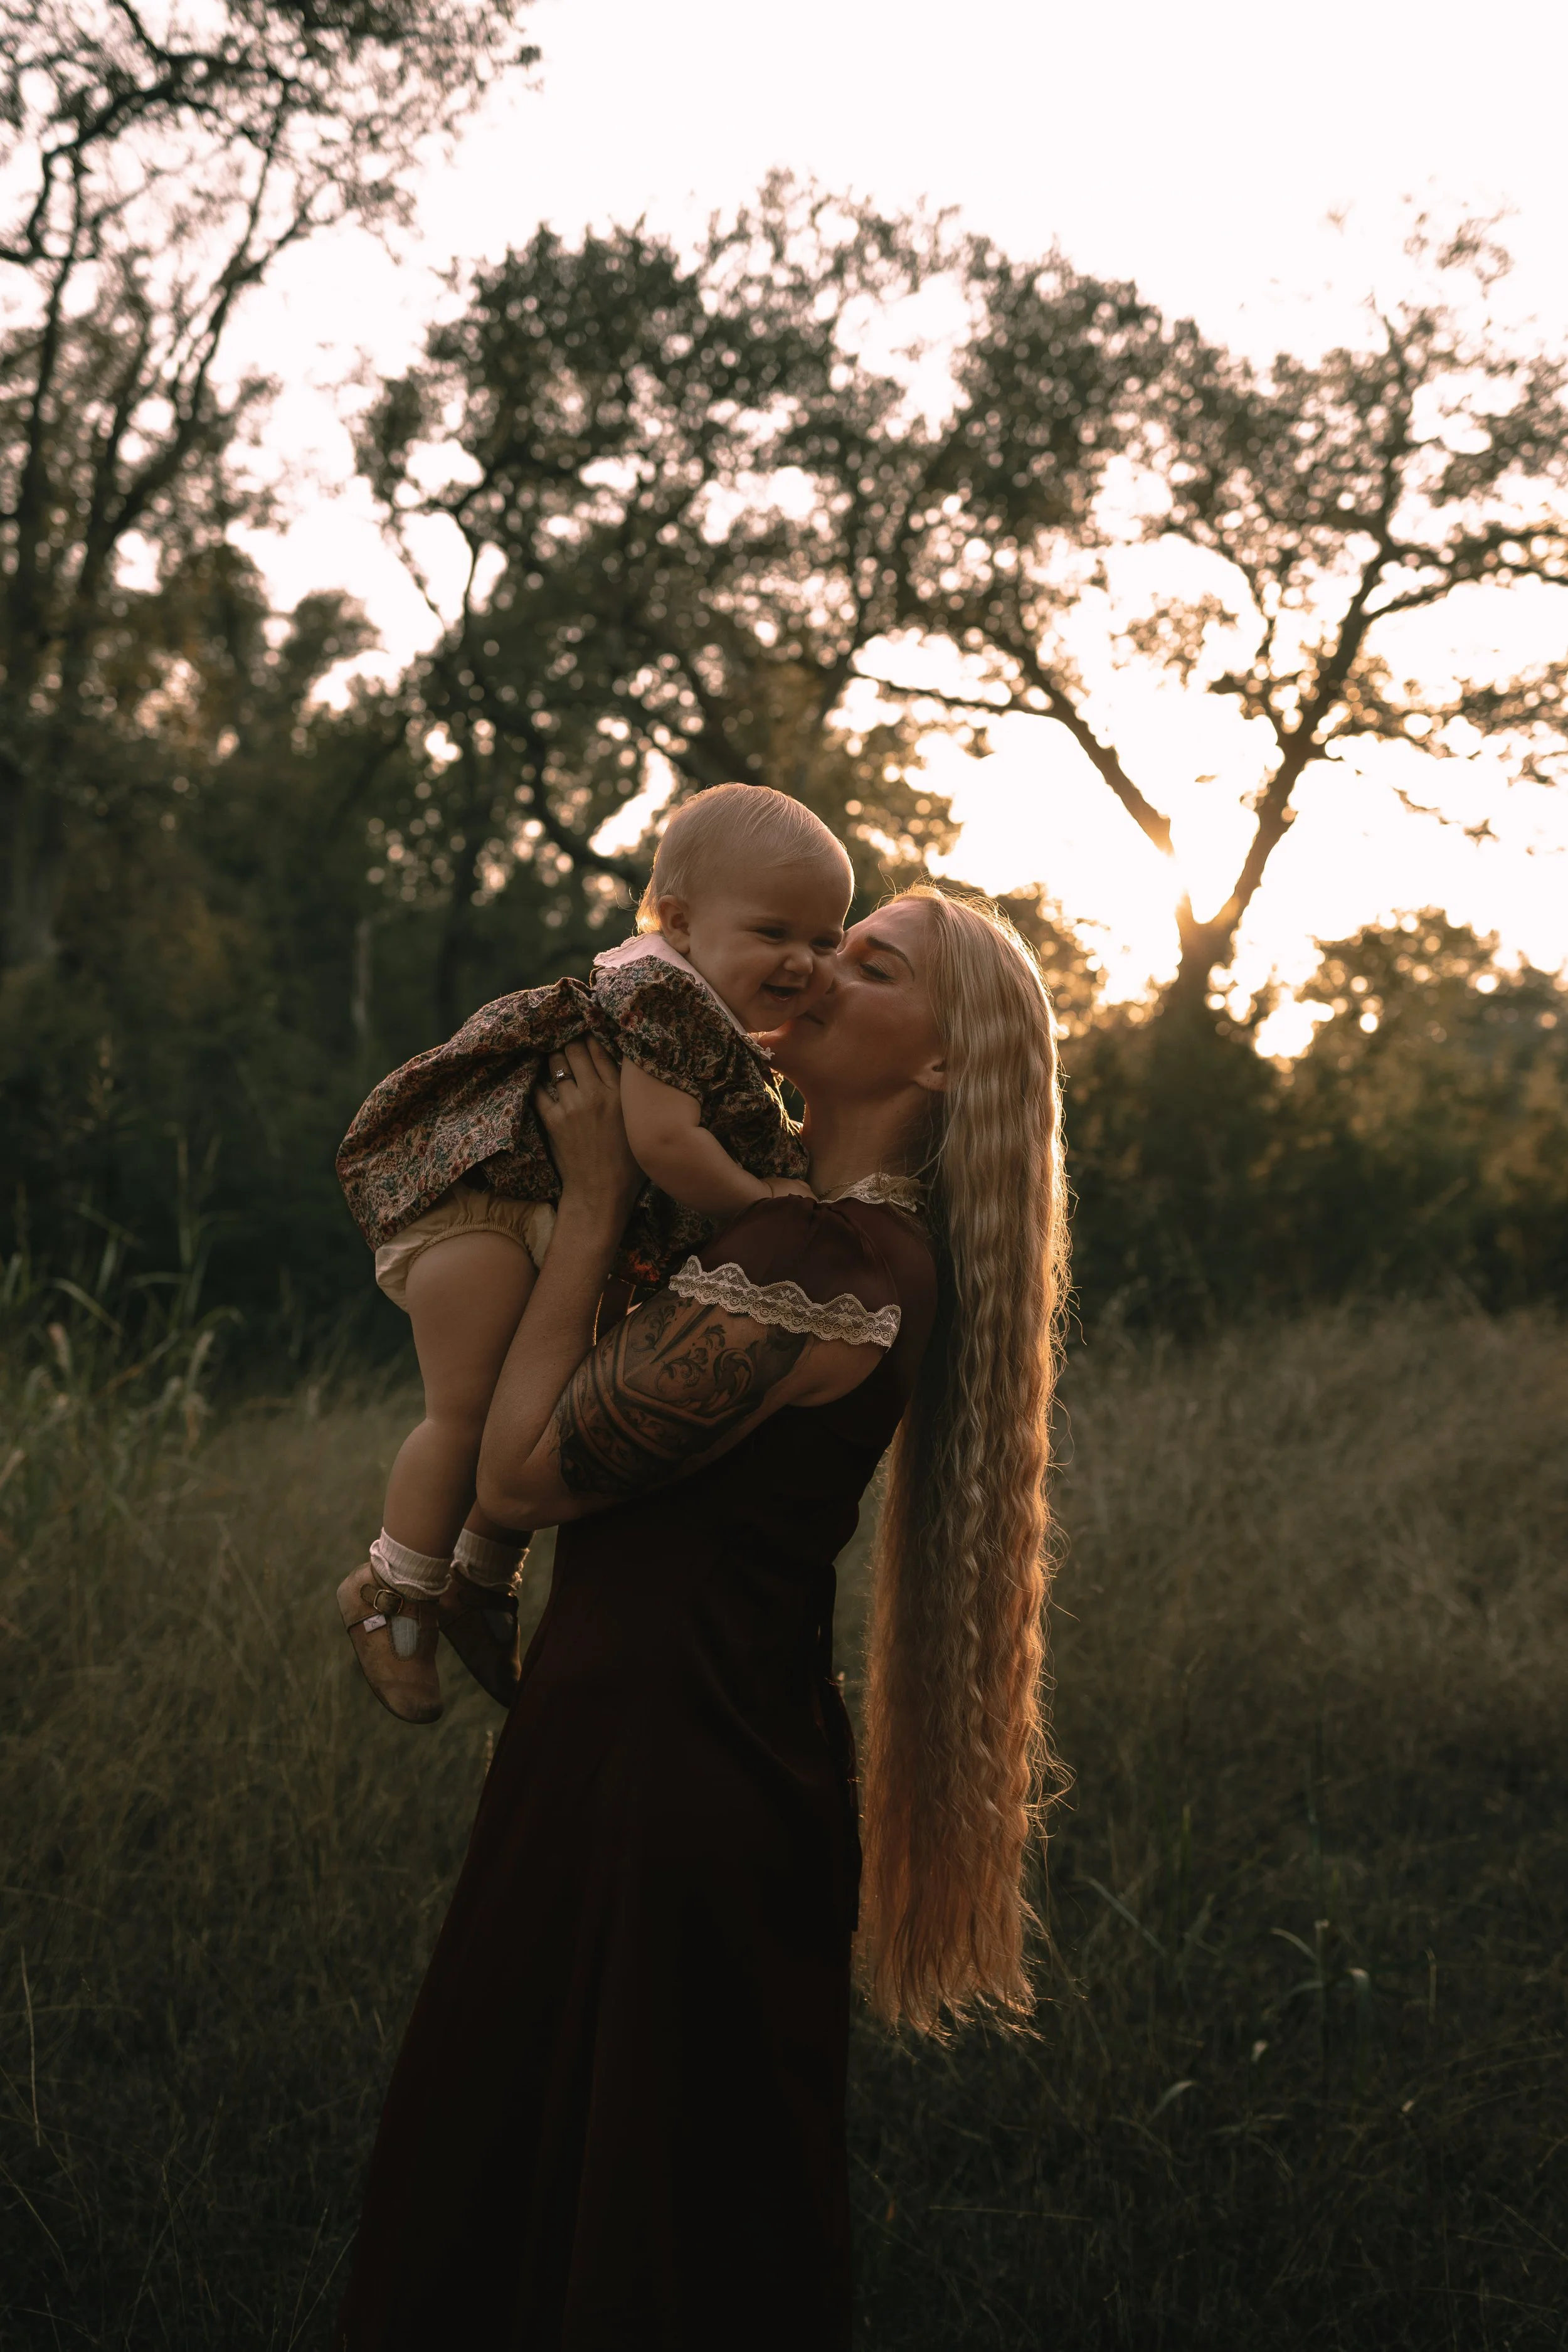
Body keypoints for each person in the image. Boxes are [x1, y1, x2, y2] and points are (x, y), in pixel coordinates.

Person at [334, 886, 1069, 2352]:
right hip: (659, 1740)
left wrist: (595, 1195)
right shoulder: (781, 1231)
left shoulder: (824, 1265)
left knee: (624, 2214)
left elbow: (525, 1473)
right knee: (579, 2179)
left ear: (938, 1063)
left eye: (872, 966)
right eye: (830, 945)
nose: (820, 970)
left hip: (670, 1773)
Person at [333, 785, 852, 1725]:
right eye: (774, 931)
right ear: (681, 925)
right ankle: (392, 1591)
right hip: (484, 1205)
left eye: (827, 939)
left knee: (538, 1396)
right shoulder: (667, 998)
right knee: (470, 1412)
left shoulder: (716, 1022)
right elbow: (664, 1145)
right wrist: (765, 1199)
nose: (803, 961)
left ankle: (481, 1581)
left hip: (544, 1212)